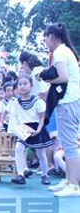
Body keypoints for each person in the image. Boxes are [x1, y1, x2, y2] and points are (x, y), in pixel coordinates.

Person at [41, 23, 80, 197]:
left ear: (52, 36)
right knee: (67, 142)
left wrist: (47, 81)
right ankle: (68, 180)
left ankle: (73, 185)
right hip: (68, 100)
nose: (44, 40)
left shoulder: (59, 52)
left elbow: (63, 77)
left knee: (70, 144)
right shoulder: (64, 51)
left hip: (69, 101)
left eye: (45, 37)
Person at [8, 75, 52, 186]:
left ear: (31, 86)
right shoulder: (15, 102)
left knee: (41, 153)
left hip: (36, 127)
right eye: (20, 84)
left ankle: (45, 175)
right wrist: (17, 130)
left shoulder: (38, 101)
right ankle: (20, 175)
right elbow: (14, 118)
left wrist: (38, 130)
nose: (22, 87)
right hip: (23, 129)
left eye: (25, 84)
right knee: (19, 148)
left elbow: (42, 117)